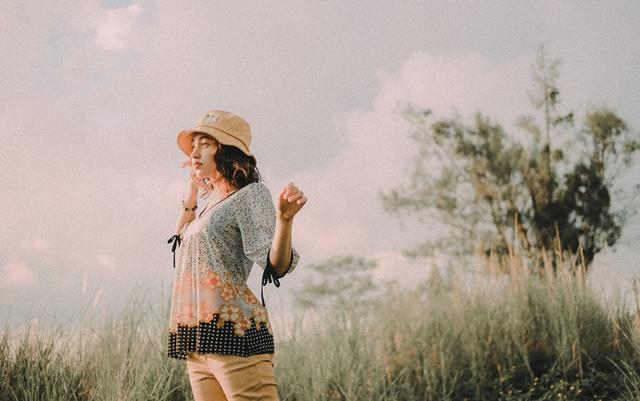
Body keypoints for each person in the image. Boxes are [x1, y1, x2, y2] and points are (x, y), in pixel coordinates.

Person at [165, 109, 307, 401]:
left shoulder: (250, 194)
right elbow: (181, 240)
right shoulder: (208, 205)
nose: (194, 152)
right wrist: (192, 193)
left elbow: (275, 265)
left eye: (205, 144)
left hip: (234, 333)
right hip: (198, 337)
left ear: (228, 152)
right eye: (194, 145)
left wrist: (285, 220)